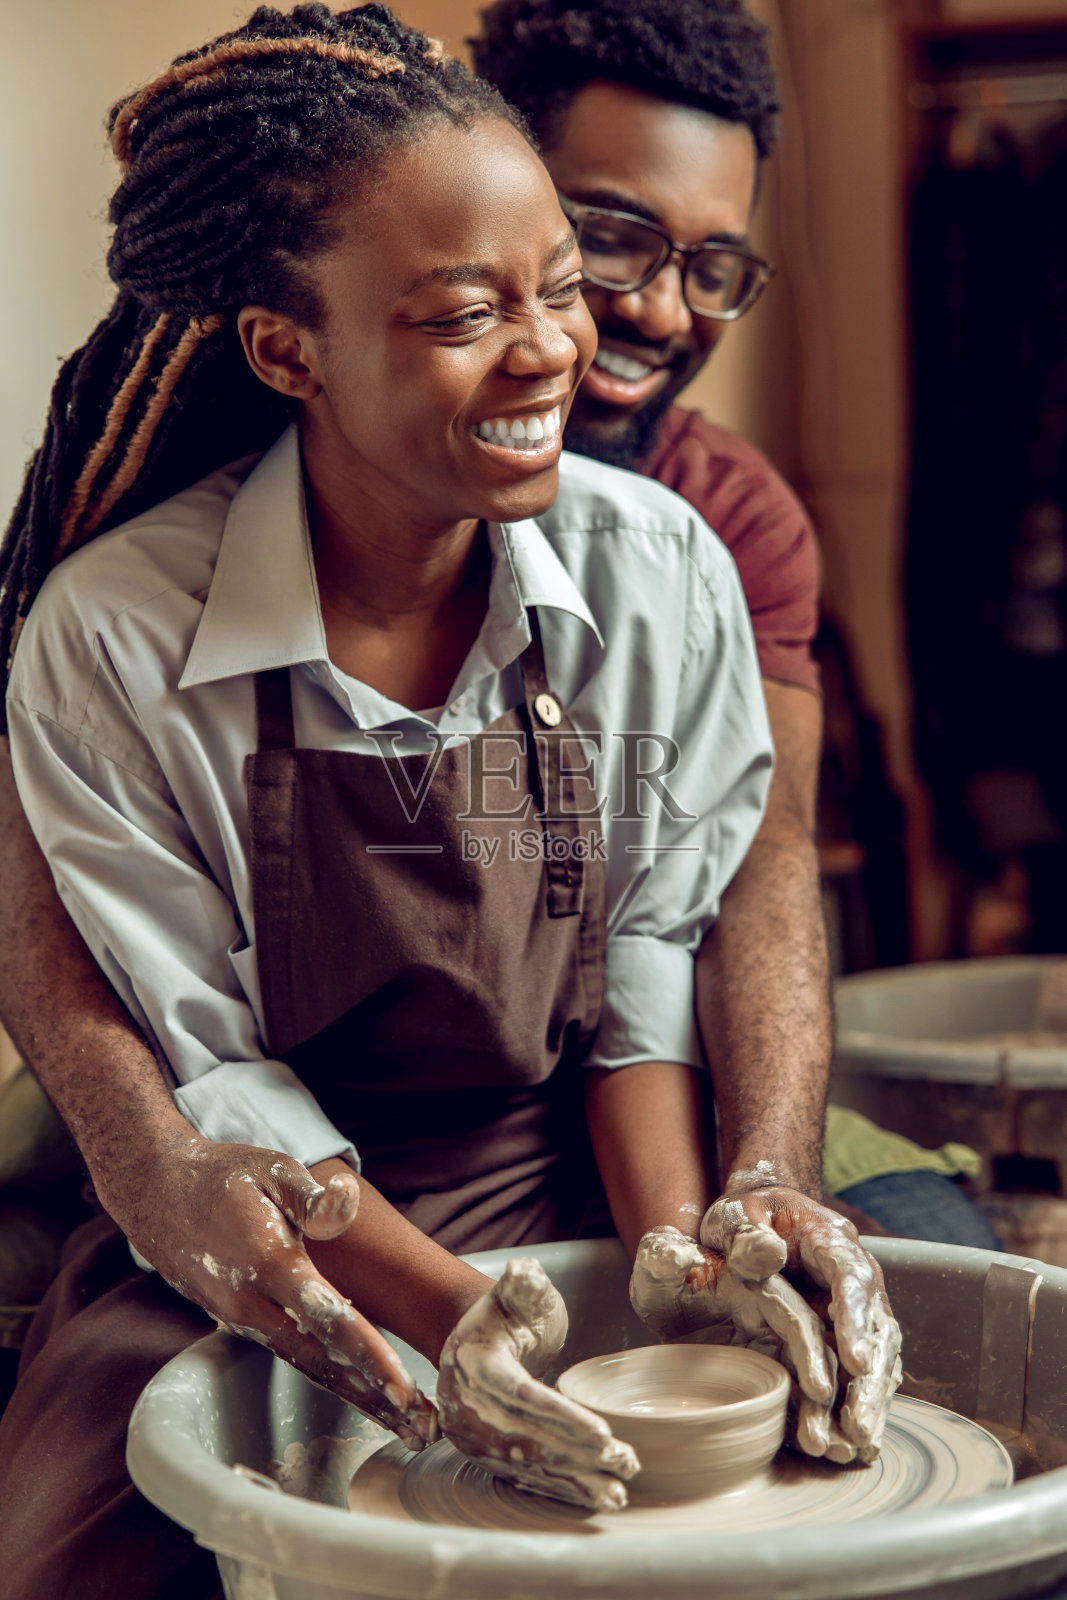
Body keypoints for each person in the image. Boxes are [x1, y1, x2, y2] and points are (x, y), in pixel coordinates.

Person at [0, 6, 898, 1595]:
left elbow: (651, 971)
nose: (562, 341)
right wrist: (450, 1323)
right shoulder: (116, 631)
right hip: (276, 1206)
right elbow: (201, 1072)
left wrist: (682, 1256)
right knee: (82, 1539)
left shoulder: (668, 558)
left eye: (560, 285)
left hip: (573, 1155)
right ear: (288, 349)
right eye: (468, 308)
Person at [472, 0, 1002, 1252]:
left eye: (711, 267)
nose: (663, 312)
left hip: (668, 1063)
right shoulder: (308, 479)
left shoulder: (733, 519)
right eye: (612, 241)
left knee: (935, 1249)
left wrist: (768, 1166)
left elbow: (764, 855)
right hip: (414, 1099)